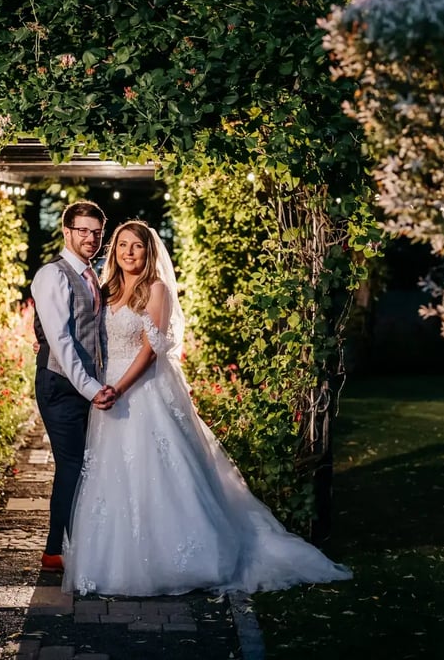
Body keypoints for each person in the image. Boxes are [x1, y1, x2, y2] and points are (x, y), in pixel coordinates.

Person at [63, 220, 353, 596]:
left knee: (156, 471)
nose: (128, 253)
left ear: (149, 252)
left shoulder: (156, 290)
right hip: (108, 394)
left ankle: (177, 560)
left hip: (140, 390)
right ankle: (112, 562)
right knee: (113, 475)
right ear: (114, 252)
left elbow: (151, 352)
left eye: (136, 246)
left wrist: (118, 388)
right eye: (122, 246)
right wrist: (95, 386)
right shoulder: (107, 290)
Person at [30, 200, 118, 573]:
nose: (91, 238)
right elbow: (62, 341)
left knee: (86, 465)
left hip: (84, 384)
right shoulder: (52, 275)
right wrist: (90, 387)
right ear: (66, 231)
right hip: (61, 384)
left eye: (97, 232)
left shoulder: (91, 274)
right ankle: (55, 551)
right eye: (82, 230)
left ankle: (74, 544)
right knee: (72, 463)